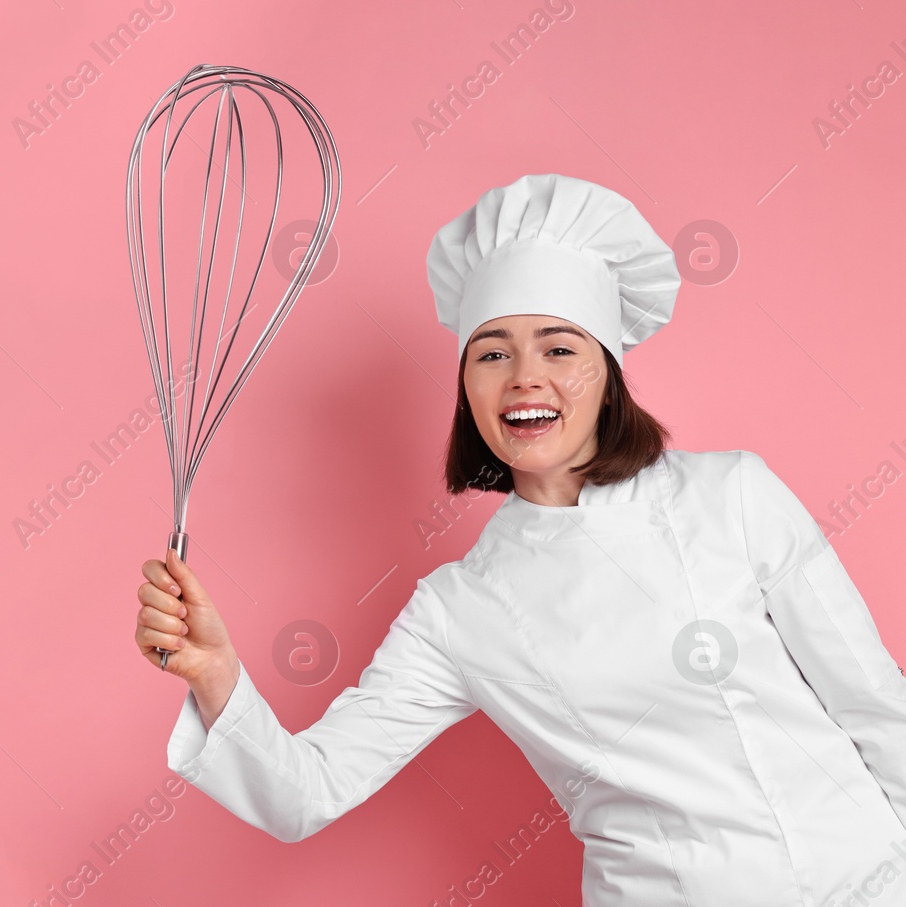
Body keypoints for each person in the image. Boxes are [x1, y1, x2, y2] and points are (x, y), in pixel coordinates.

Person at [132, 173, 906, 905]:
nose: (524, 376)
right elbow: (307, 789)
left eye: (560, 348)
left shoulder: (732, 494)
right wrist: (215, 672)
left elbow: (874, 703)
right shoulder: (460, 609)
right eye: (493, 352)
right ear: (467, 385)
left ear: (608, 371)